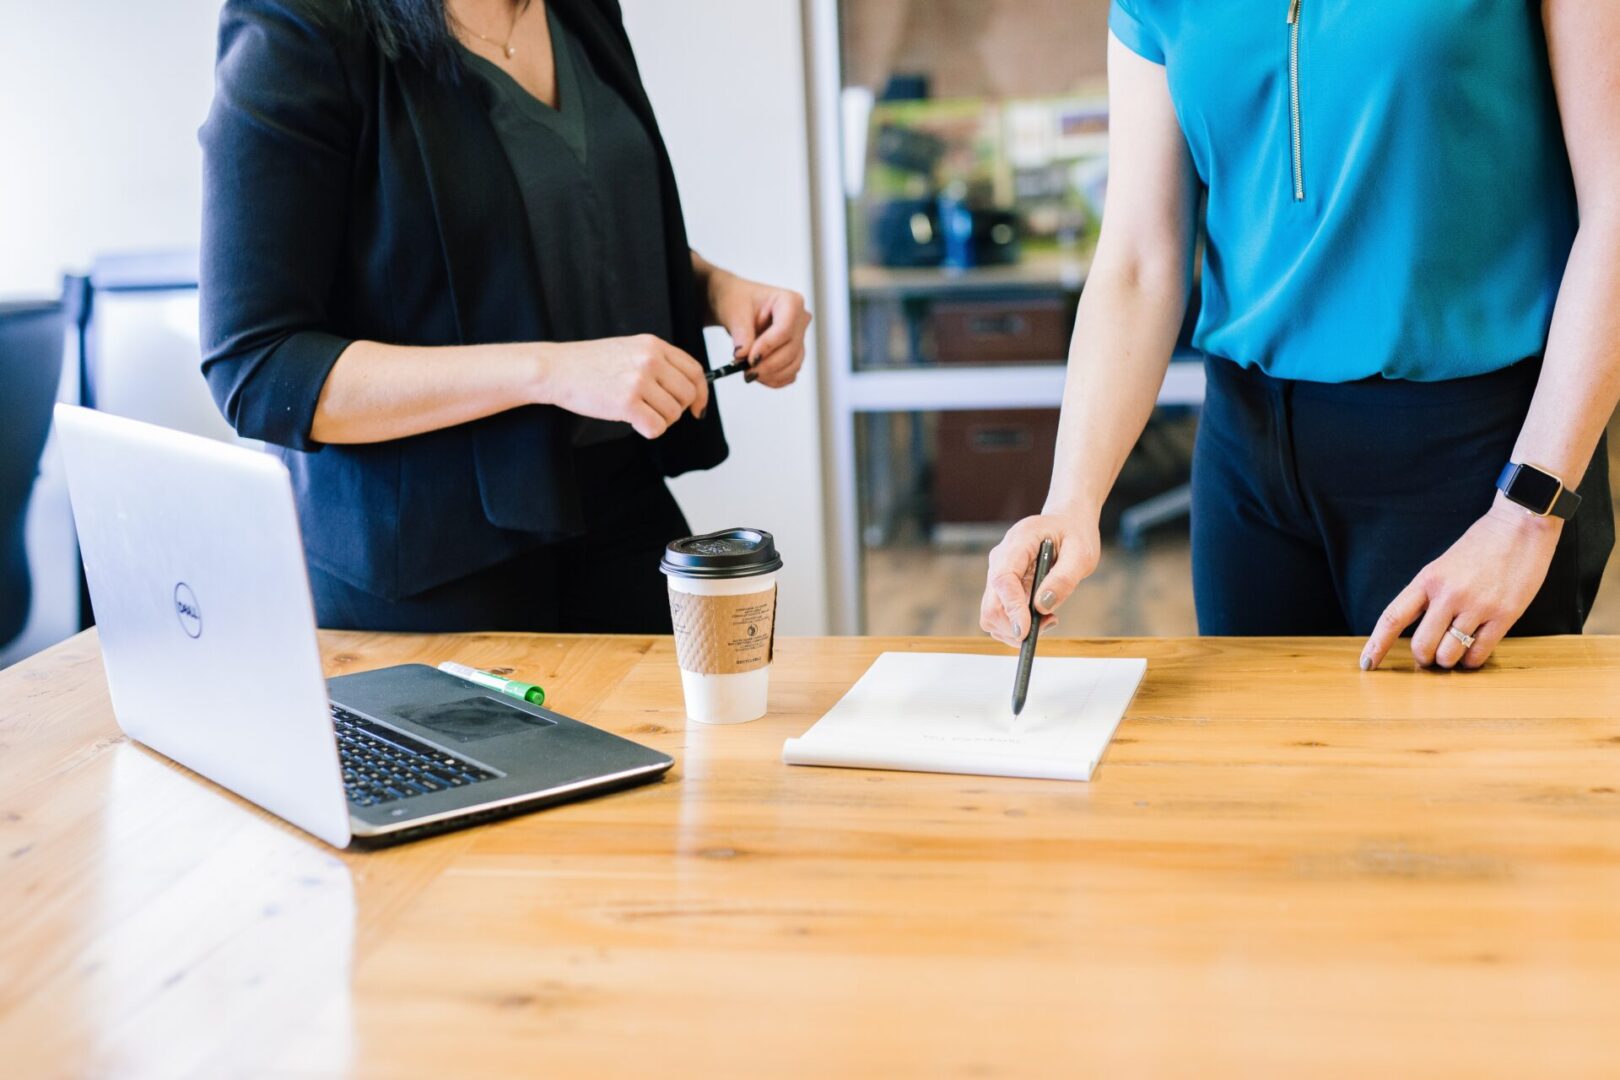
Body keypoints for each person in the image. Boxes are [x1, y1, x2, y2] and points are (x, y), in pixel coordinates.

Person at [981, 1, 1620, 672]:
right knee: (1260, 772)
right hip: (1247, 463)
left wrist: (1528, 513)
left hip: (1475, 457)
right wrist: (1071, 502)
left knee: (1455, 774)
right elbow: (1139, 260)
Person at [199, 0, 811, 634]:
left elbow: (545, 227)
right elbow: (260, 366)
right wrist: (548, 370)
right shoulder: (300, 27)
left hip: (616, 503)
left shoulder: (579, 11)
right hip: (432, 560)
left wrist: (714, 290)